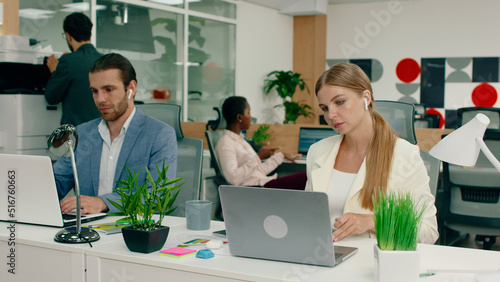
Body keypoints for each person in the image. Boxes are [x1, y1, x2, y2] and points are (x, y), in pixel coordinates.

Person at [305, 63, 438, 244]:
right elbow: (309, 219)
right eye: (325, 108)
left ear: (365, 98)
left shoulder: (405, 155)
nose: (331, 115)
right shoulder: (318, 151)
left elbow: (428, 232)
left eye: (340, 102)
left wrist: (372, 221)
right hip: (323, 258)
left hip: (373, 264)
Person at [53, 53, 177, 214]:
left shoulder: (160, 135)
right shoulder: (82, 134)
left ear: (130, 89)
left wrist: (103, 203)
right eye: (95, 91)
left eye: (108, 89)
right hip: (87, 230)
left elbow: (157, 196)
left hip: (135, 231)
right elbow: (56, 183)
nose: (100, 99)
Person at [215, 96, 306, 189]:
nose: (251, 117)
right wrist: (258, 157)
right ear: (239, 117)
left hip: (262, 184)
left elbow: (259, 171)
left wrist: (281, 156)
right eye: (248, 113)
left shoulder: (240, 141)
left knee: (310, 177)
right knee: (308, 177)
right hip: (255, 190)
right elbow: (232, 179)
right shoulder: (225, 143)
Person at [44, 12, 102, 126]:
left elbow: (51, 98)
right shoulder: (105, 60)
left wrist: (55, 72)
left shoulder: (68, 61)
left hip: (76, 133)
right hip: (101, 131)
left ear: (68, 36)